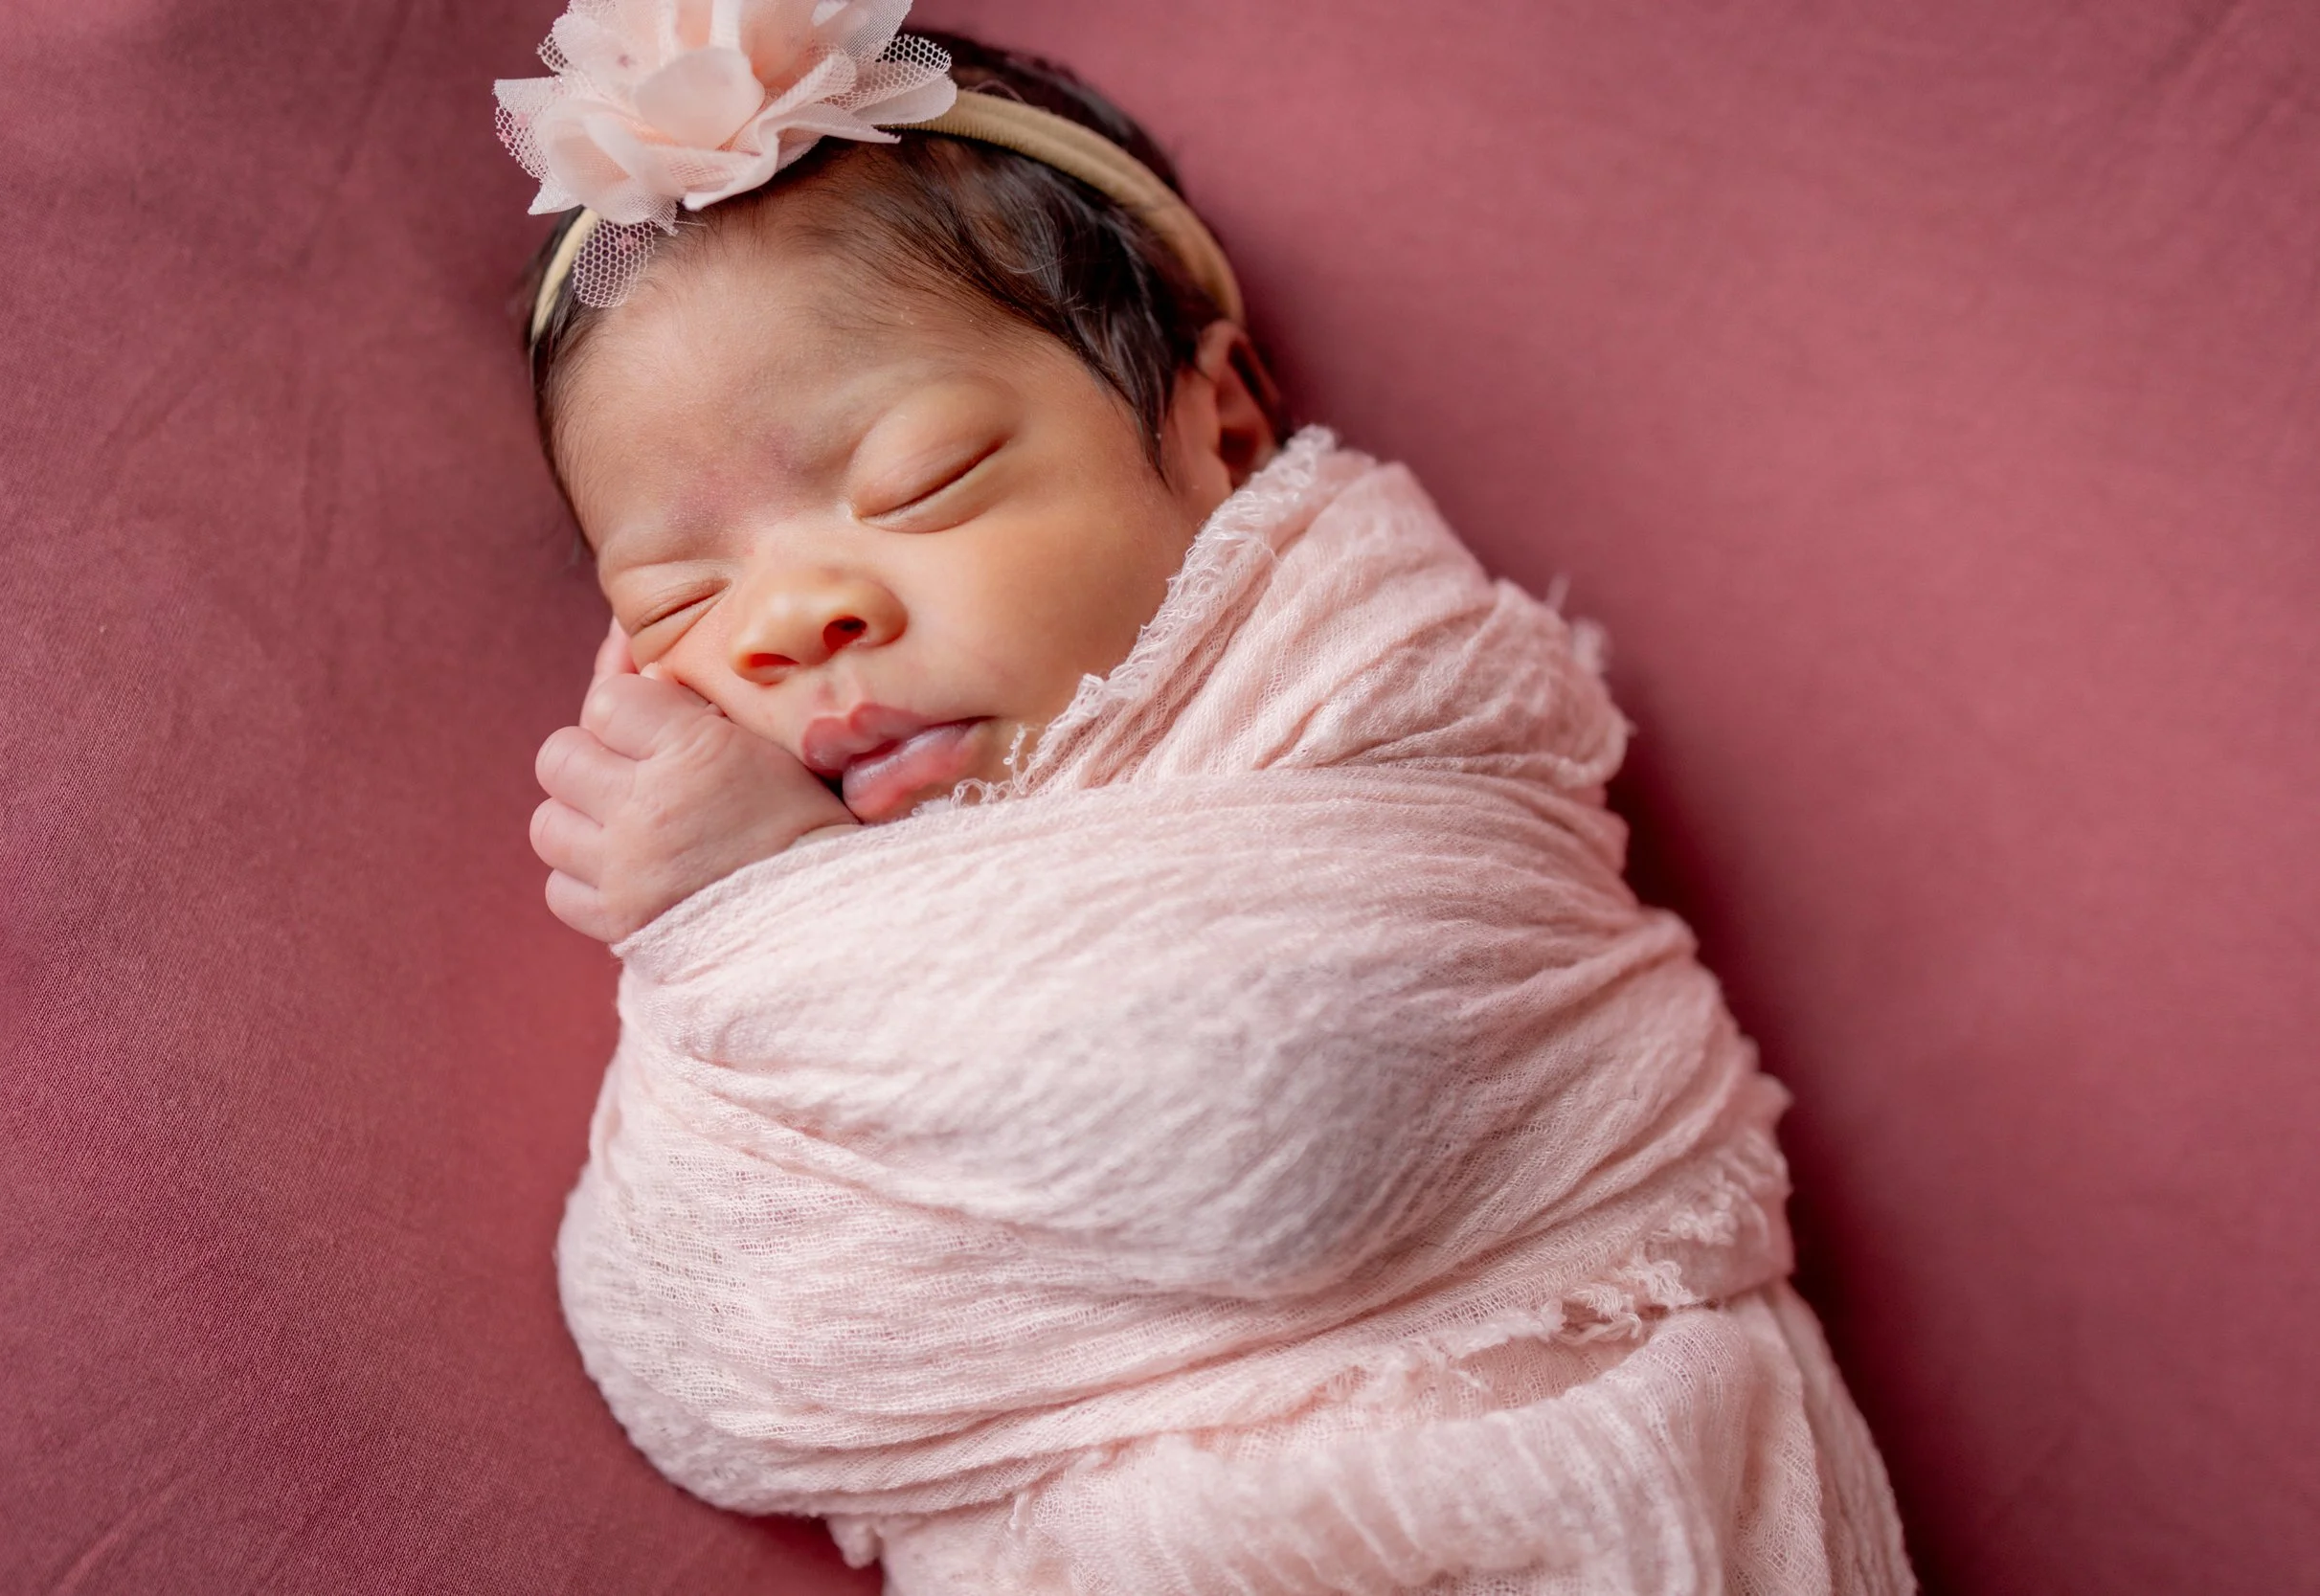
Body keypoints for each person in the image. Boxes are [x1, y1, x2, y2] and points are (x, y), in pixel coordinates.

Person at [504, 4, 1915, 1590]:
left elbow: (1263, 1139)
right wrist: (729, 923)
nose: (785, 619)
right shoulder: (744, 921)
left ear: (1219, 422)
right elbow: (705, 1361)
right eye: (679, 597)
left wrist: (773, 911)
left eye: (923, 479)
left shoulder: (1385, 674)